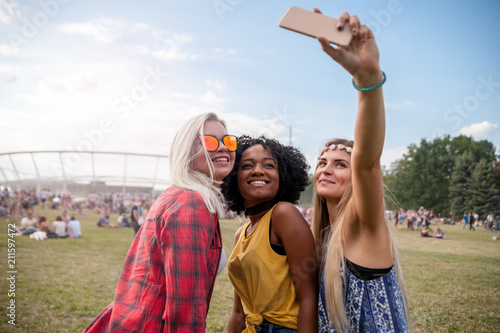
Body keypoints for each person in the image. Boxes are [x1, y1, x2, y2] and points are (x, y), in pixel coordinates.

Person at [84, 112, 236, 332]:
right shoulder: (192, 203)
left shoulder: (177, 194)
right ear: (188, 151)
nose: (223, 148)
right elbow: (185, 311)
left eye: (228, 141)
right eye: (210, 141)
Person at [311, 10, 409, 332]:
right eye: (323, 162)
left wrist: (367, 80)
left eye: (341, 164)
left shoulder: (366, 227)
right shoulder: (321, 240)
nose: (326, 169)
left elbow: (367, 162)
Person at [222, 136, 317, 333]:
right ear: (234, 177)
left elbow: (308, 298)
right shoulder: (240, 234)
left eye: (269, 165)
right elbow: (238, 312)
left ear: (282, 175)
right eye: (247, 166)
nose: (258, 170)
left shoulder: (284, 214)